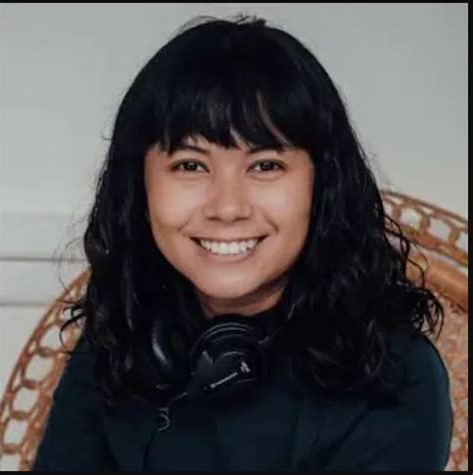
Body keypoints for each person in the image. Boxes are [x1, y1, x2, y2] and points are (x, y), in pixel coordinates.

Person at [32, 14, 453, 471]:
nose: (227, 207)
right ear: (140, 188)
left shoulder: (398, 375)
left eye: (265, 165)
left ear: (321, 186)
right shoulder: (120, 342)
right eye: (190, 165)